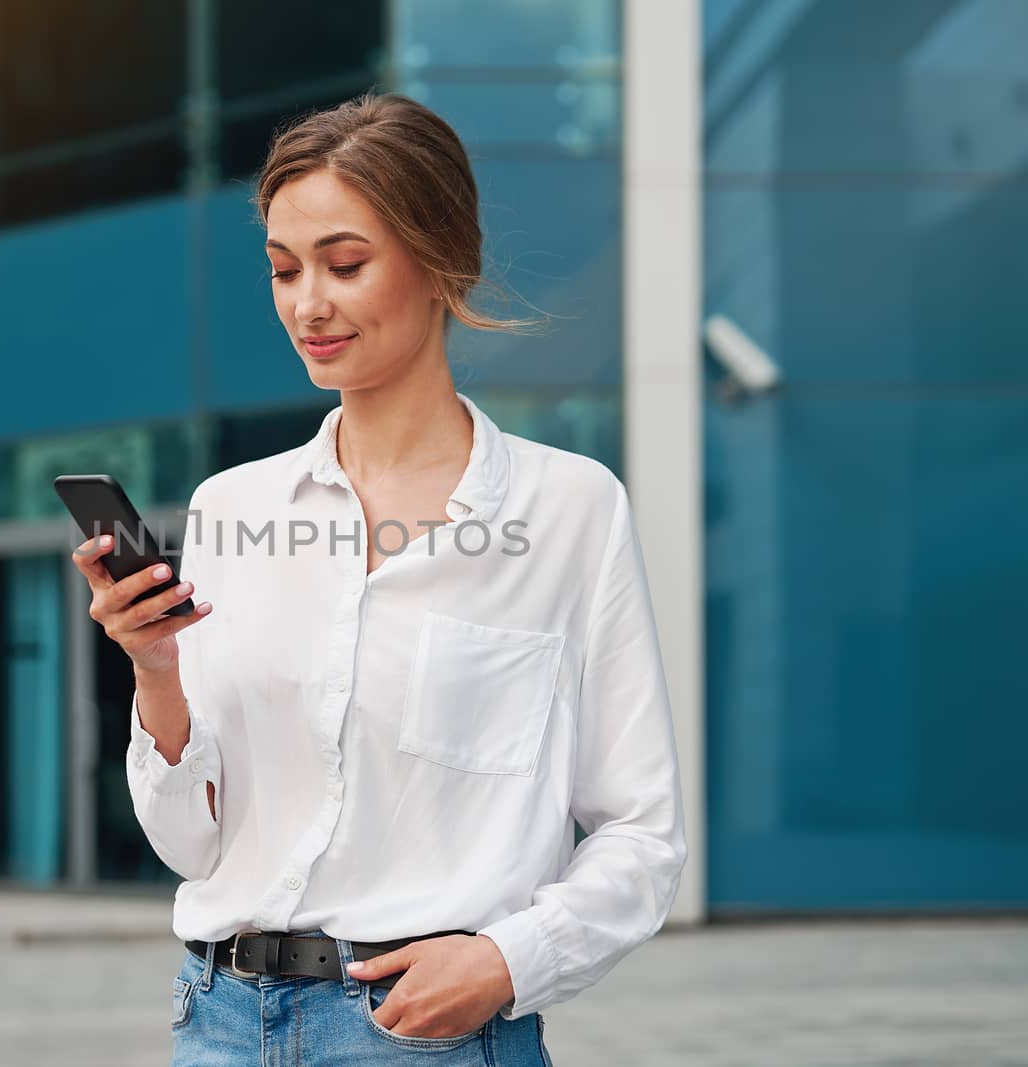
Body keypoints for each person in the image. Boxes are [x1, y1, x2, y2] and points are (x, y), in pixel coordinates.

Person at [72, 91, 686, 1066]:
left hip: (423, 1037)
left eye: (344, 263)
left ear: (443, 260)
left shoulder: (569, 508)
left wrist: (505, 959)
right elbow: (193, 843)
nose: (306, 303)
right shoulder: (233, 507)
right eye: (283, 270)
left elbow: (641, 832)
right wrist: (153, 669)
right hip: (218, 1021)